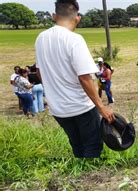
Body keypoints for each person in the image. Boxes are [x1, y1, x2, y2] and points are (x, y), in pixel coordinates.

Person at [35, 0, 115, 159]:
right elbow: (85, 77)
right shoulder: (74, 39)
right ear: (77, 18)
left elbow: (39, 71)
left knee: (77, 145)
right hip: (81, 107)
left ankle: (78, 176)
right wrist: (101, 107)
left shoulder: (41, 38)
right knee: (92, 146)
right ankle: (90, 181)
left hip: (58, 109)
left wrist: (54, 90)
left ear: (53, 16)